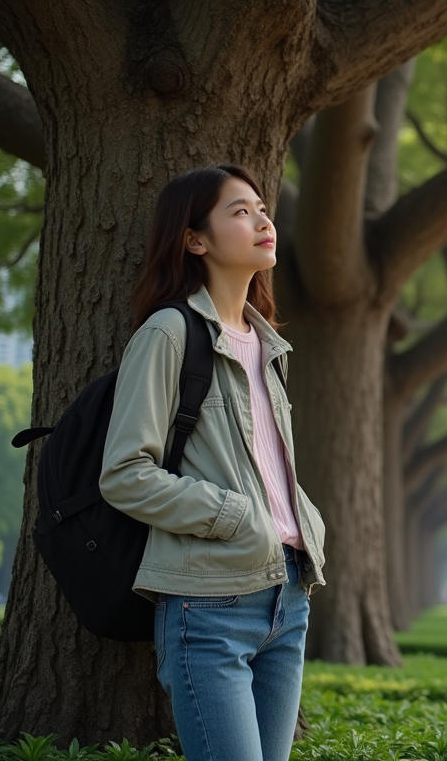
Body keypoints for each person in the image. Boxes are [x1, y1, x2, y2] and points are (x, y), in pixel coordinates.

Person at [99, 165, 327, 761]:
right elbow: (125, 472)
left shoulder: (266, 343)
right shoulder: (169, 332)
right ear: (195, 239)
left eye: (261, 207)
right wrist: (232, 516)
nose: (262, 219)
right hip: (208, 606)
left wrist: (307, 526)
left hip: (288, 596)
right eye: (239, 211)